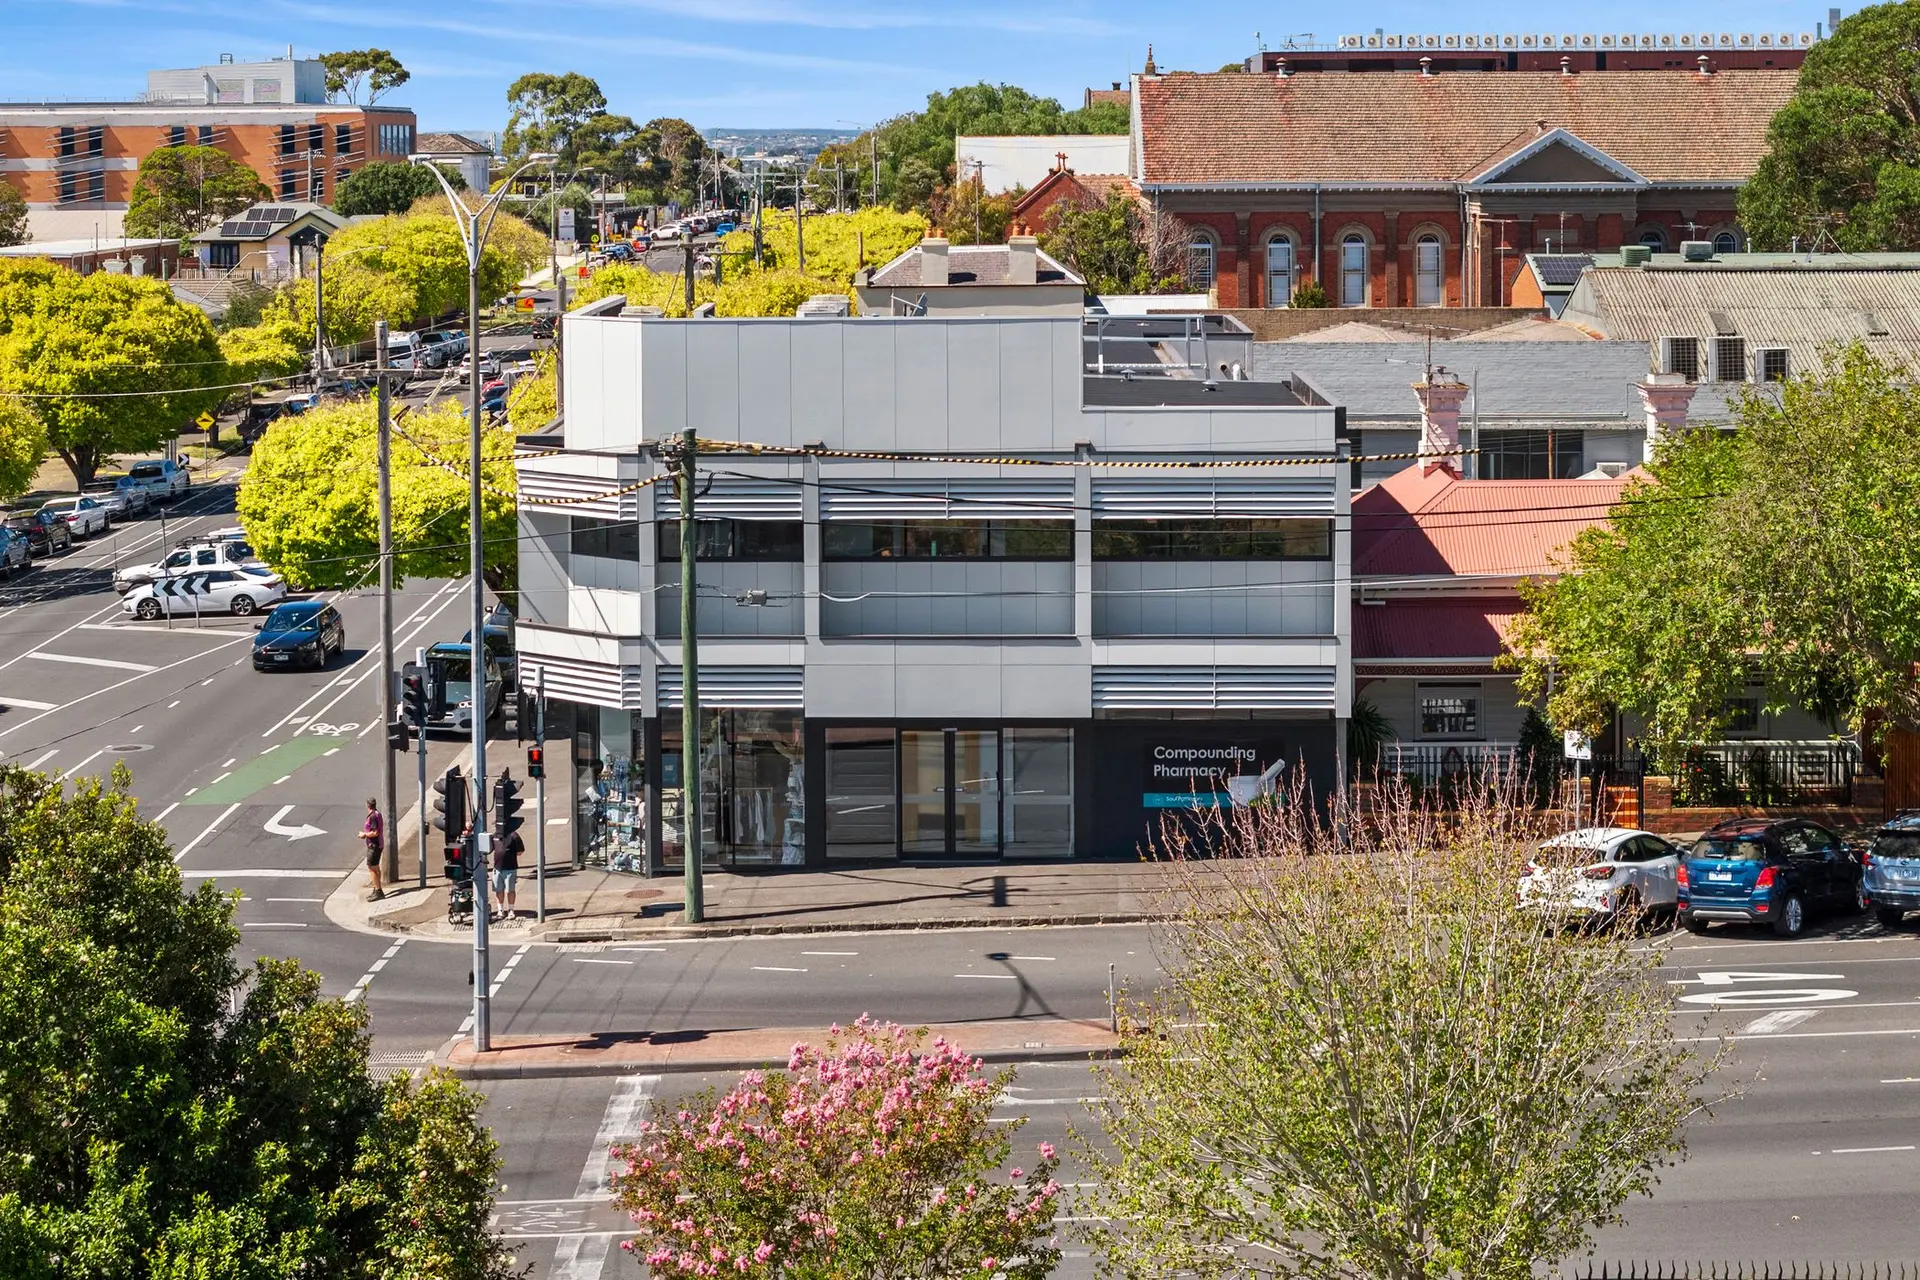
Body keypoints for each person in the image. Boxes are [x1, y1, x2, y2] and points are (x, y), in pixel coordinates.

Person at [492, 824, 524, 922]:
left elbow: (520, 851)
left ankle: (511, 910)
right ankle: (500, 910)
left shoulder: (514, 836)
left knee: (510, 890)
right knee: (498, 890)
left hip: (510, 868)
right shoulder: (494, 836)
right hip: (497, 868)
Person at [361, 799, 384, 899]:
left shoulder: (373, 816)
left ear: (367, 805)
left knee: (372, 868)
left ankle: (378, 891)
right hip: (378, 845)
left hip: (374, 846)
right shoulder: (377, 814)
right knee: (376, 867)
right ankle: (377, 887)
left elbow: (375, 832)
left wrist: (364, 835)